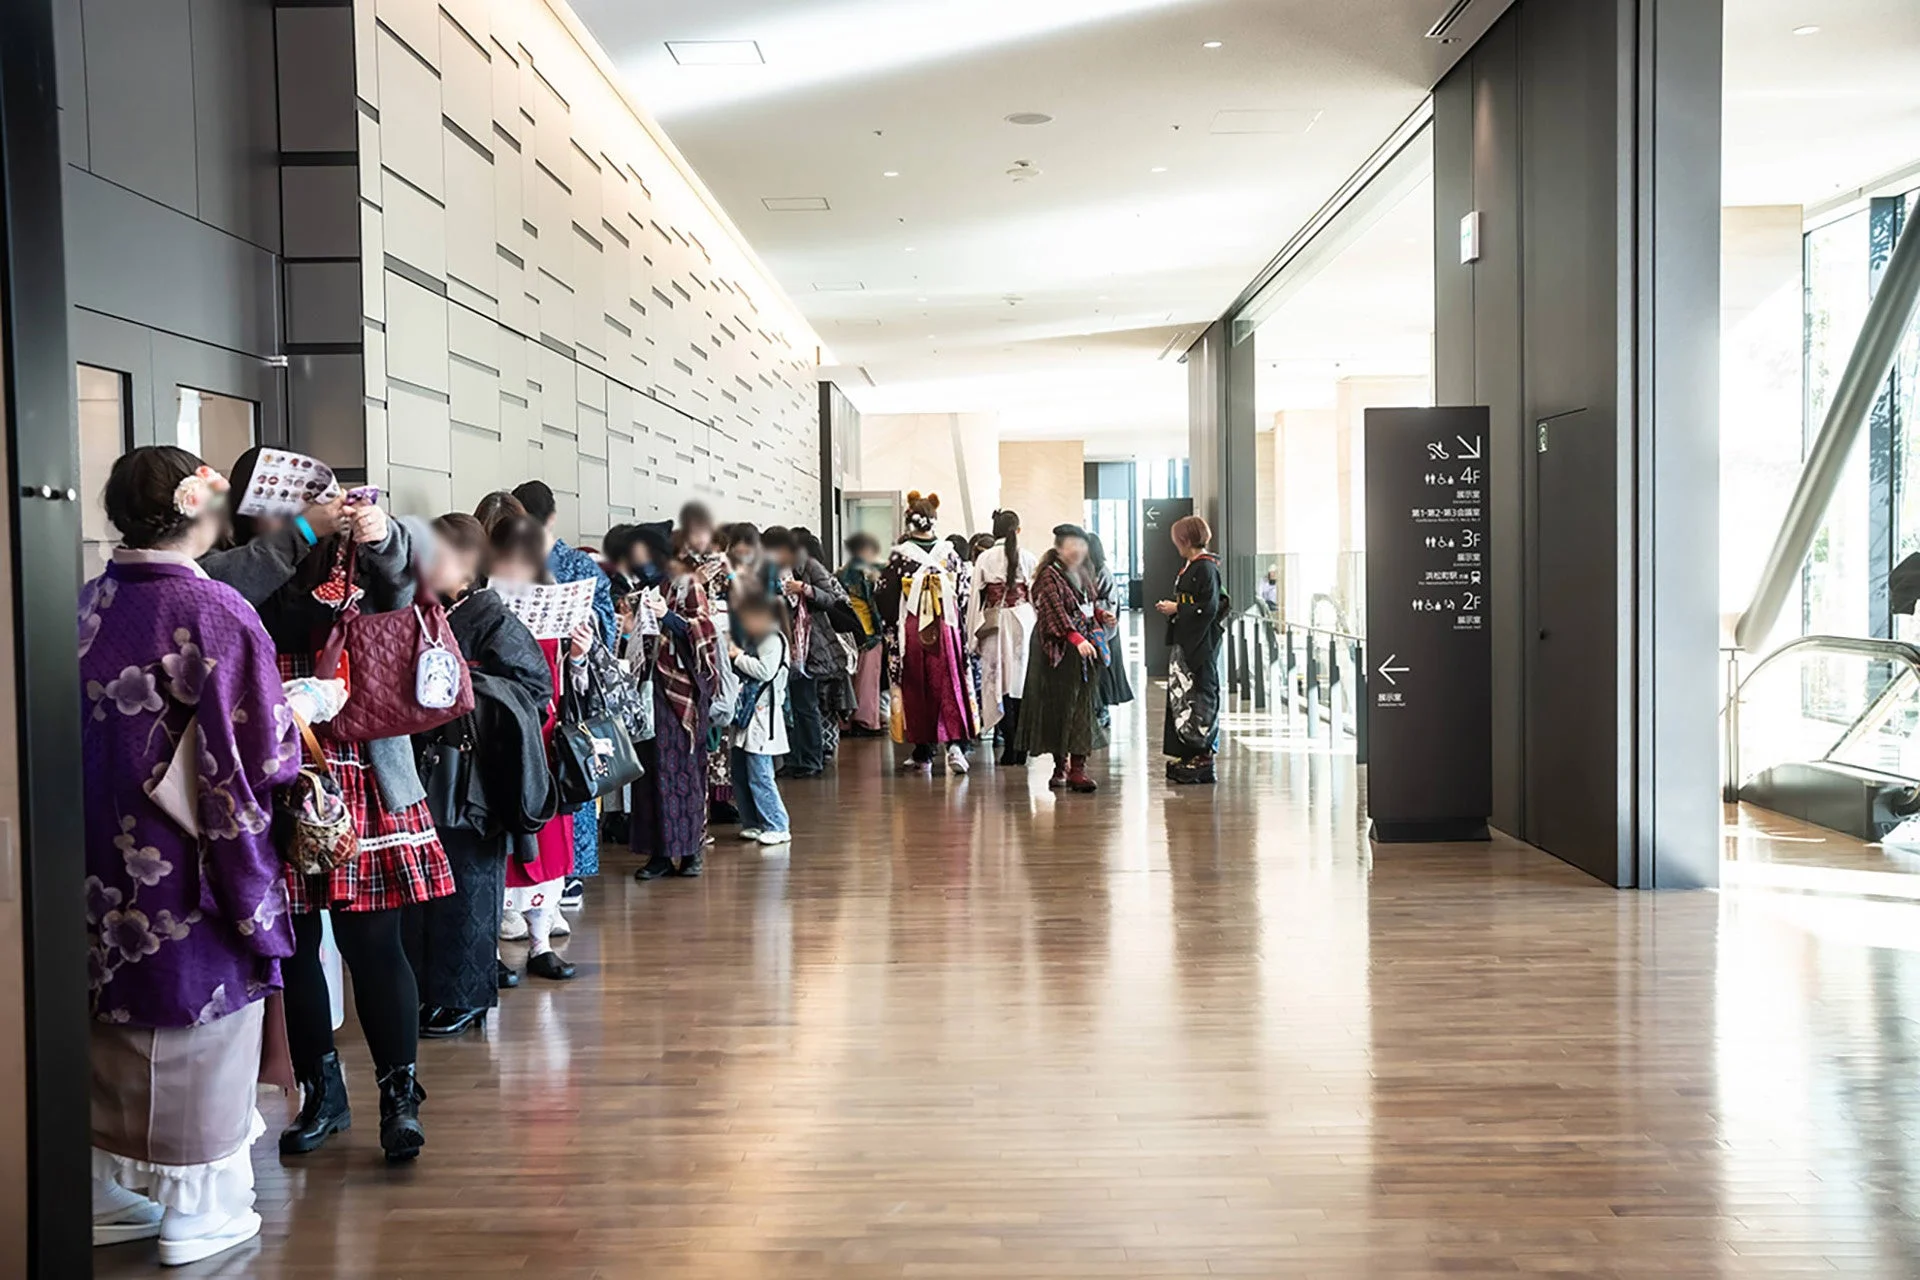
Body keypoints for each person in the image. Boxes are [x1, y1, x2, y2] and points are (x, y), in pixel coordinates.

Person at [83, 448, 318, 1264]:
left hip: (92, 863)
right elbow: (265, 752)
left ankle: (102, 1192)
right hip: (191, 862)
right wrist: (303, 712)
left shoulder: (77, 607)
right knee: (198, 1015)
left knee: (109, 1018)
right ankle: (201, 1207)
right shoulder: (216, 611)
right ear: (199, 511)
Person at [216, 457, 449, 1166]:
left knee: (373, 941)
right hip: (269, 762)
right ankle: (323, 1091)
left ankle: (399, 1095)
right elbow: (223, 588)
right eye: (278, 498)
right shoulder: (239, 563)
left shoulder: (356, 555)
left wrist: (380, 538)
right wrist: (295, 535)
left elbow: (413, 584)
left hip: (361, 764)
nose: (298, 508)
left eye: (311, 498)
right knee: (293, 944)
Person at [406, 513, 555, 1035]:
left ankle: (467, 996)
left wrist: (466, 681)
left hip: (476, 773)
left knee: (470, 886)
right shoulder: (435, 614)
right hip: (437, 766)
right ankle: (436, 991)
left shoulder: (492, 619)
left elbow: (536, 690)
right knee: (439, 888)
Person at [487, 515, 592, 980]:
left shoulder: (551, 600)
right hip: (494, 735)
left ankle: (540, 942)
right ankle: (488, 946)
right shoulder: (481, 603)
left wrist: (577, 655)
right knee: (496, 845)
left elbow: (568, 688)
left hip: (545, 738)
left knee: (548, 843)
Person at [510, 481, 613, 908]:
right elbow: (607, 628)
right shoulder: (582, 566)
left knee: (540, 781)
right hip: (570, 685)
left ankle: (535, 880)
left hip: (531, 688)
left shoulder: (512, 564)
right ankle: (569, 875)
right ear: (553, 516)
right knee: (574, 773)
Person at [632, 552, 721, 879]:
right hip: (649, 689)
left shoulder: (687, 584)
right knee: (651, 772)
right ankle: (659, 853)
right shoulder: (641, 587)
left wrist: (667, 616)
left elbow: (704, 629)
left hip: (680, 690)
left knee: (682, 770)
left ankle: (690, 850)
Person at [878, 491, 979, 775]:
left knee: (915, 685)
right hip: (946, 627)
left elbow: (883, 594)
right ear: (933, 520)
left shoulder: (899, 555)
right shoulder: (949, 553)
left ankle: (923, 750)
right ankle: (955, 747)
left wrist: (891, 624)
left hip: (911, 629)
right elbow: (962, 591)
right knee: (950, 684)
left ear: (909, 520)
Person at [1013, 524, 1110, 792]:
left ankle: (1078, 769)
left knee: (1082, 707)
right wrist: (1074, 637)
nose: (1078, 550)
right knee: (1059, 708)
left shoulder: (1083, 573)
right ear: (1059, 548)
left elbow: (1087, 606)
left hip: (1084, 651)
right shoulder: (1048, 576)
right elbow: (1052, 611)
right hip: (1056, 651)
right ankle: (1060, 766)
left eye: (1081, 545)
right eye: (1072, 545)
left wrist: (1100, 617)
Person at [762, 525, 850, 779]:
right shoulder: (768, 570)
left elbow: (832, 599)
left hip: (808, 644)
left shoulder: (809, 566)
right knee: (788, 705)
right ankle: (794, 757)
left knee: (805, 703)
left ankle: (810, 758)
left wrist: (804, 588)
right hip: (781, 643)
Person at [1156, 514, 1227, 785]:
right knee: (1184, 697)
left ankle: (1202, 755)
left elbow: (1208, 608)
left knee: (1199, 696)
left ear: (1185, 540)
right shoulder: (1194, 566)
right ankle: (1190, 751)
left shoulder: (1206, 568)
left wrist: (1178, 608)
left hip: (1199, 645)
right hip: (1187, 641)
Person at [969, 509, 1038, 765]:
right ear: (1017, 531)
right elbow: (1035, 597)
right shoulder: (1028, 557)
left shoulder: (984, 559)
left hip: (995, 623)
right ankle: (1022, 746)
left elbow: (976, 599)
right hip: (1023, 620)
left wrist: (972, 635)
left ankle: (1009, 745)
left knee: (999, 684)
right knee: (1021, 684)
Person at [728, 594, 793, 846]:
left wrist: (737, 657)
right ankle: (753, 822)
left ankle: (777, 824)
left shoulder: (771, 639)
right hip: (750, 714)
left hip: (763, 715)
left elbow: (765, 670)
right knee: (741, 771)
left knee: (760, 773)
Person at [836, 532, 888, 737]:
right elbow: (877, 605)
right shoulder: (872, 572)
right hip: (868, 633)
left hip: (846, 633)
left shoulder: (841, 573)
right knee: (868, 681)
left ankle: (845, 721)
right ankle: (865, 721)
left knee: (848, 678)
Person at [1087, 532, 1135, 722]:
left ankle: (1102, 710)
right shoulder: (1081, 570)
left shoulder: (1103, 572)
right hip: (1087, 629)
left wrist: (1093, 608)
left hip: (1103, 632)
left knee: (1103, 673)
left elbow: (1110, 602)